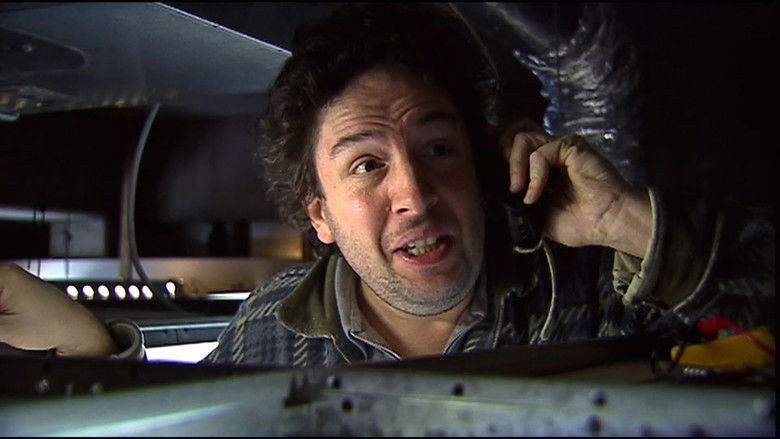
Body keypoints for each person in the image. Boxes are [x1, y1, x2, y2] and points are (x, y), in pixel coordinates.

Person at [0, 4, 774, 366]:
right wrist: (92, 348)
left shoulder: (594, 280)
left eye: (437, 148)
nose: (416, 191)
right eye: (367, 163)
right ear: (321, 216)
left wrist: (627, 221)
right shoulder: (274, 330)